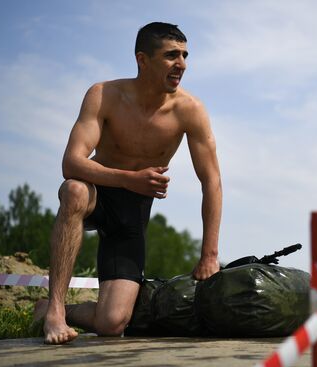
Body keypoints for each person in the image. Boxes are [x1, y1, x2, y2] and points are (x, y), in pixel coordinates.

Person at [33, 22, 222, 344]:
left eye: (185, 55)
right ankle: (55, 312)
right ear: (142, 60)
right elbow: (72, 163)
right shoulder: (105, 94)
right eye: (171, 55)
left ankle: (45, 309)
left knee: (111, 323)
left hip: (132, 212)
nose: (182, 64)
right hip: (97, 190)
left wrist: (209, 255)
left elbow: (212, 181)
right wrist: (128, 179)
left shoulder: (190, 110)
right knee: (74, 190)